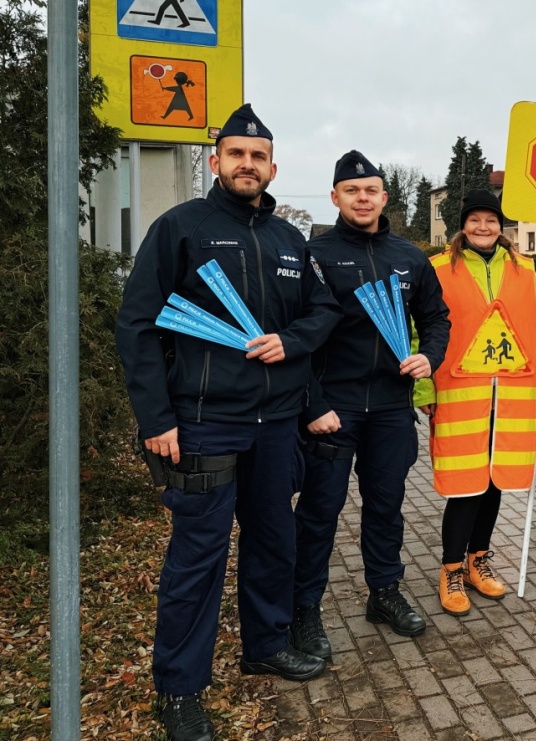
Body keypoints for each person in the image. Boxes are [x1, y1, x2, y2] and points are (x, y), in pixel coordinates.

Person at [115, 104, 342, 741]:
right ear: (216, 161)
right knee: (198, 558)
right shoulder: (181, 228)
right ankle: (180, 689)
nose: (249, 165)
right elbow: (136, 324)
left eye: (259, 156)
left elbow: (322, 313)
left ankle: (264, 644)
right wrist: (156, 416)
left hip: (276, 425)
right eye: (237, 154)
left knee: (275, 542)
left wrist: (290, 342)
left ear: (274, 167)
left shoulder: (290, 240)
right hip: (204, 423)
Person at [291, 151, 450, 657]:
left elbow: (437, 317)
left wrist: (430, 356)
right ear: (335, 197)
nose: (363, 198)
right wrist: (312, 403)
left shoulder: (410, 256)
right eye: (352, 190)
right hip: (332, 409)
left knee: (386, 508)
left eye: (372, 190)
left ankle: (383, 592)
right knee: (320, 512)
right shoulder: (313, 254)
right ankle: (304, 610)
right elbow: (294, 333)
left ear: (385, 198)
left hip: (389, 408)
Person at [414, 189, 536, 616]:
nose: (483, 227)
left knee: (497, 481)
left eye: (491, 220)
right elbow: (419, 327)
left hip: (512, 397)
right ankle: (451, 569)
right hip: (460, 395)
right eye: (475, 219)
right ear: (462, 225)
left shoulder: (523, 268)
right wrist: (423, 387)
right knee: (465, 486)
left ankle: (478, 560)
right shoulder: (438, 268)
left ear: (503, 227)